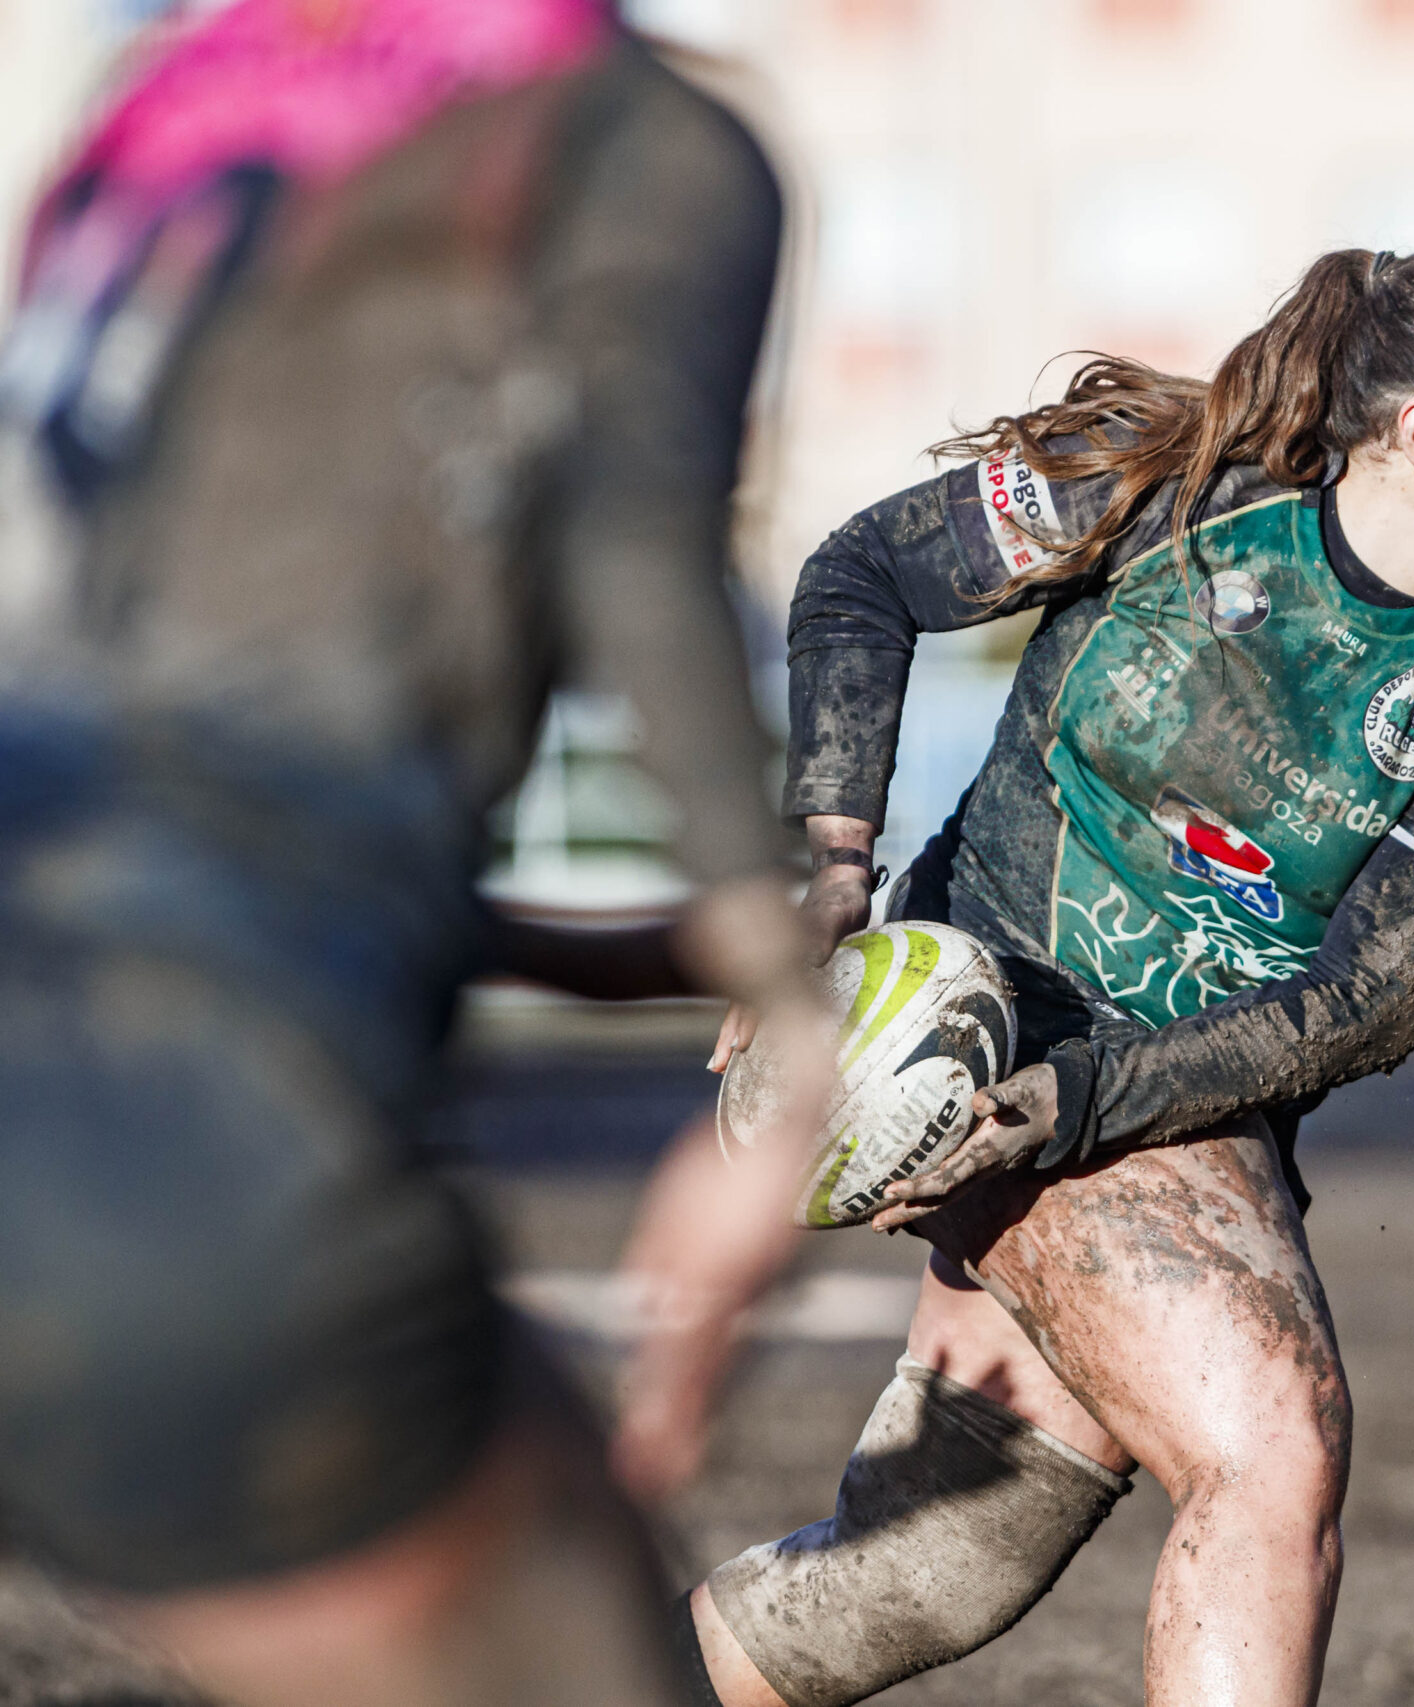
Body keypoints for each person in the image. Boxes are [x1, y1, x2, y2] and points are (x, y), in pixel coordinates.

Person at [0, 2, 833, 1701]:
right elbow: (633, 541)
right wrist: (789, 1010)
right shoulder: (630, 131)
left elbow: (149, 704)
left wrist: (562, 943)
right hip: (168, 1143)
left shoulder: (176, 93)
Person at [673, 247, 1414, 1707]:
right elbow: (863, 575)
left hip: (1133, 1102)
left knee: (931, 1568)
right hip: (988, 1015)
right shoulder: (1170, 487)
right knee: (1267, 1455)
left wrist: (1079, 1103)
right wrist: (832, 876)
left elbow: (1364, 1007)